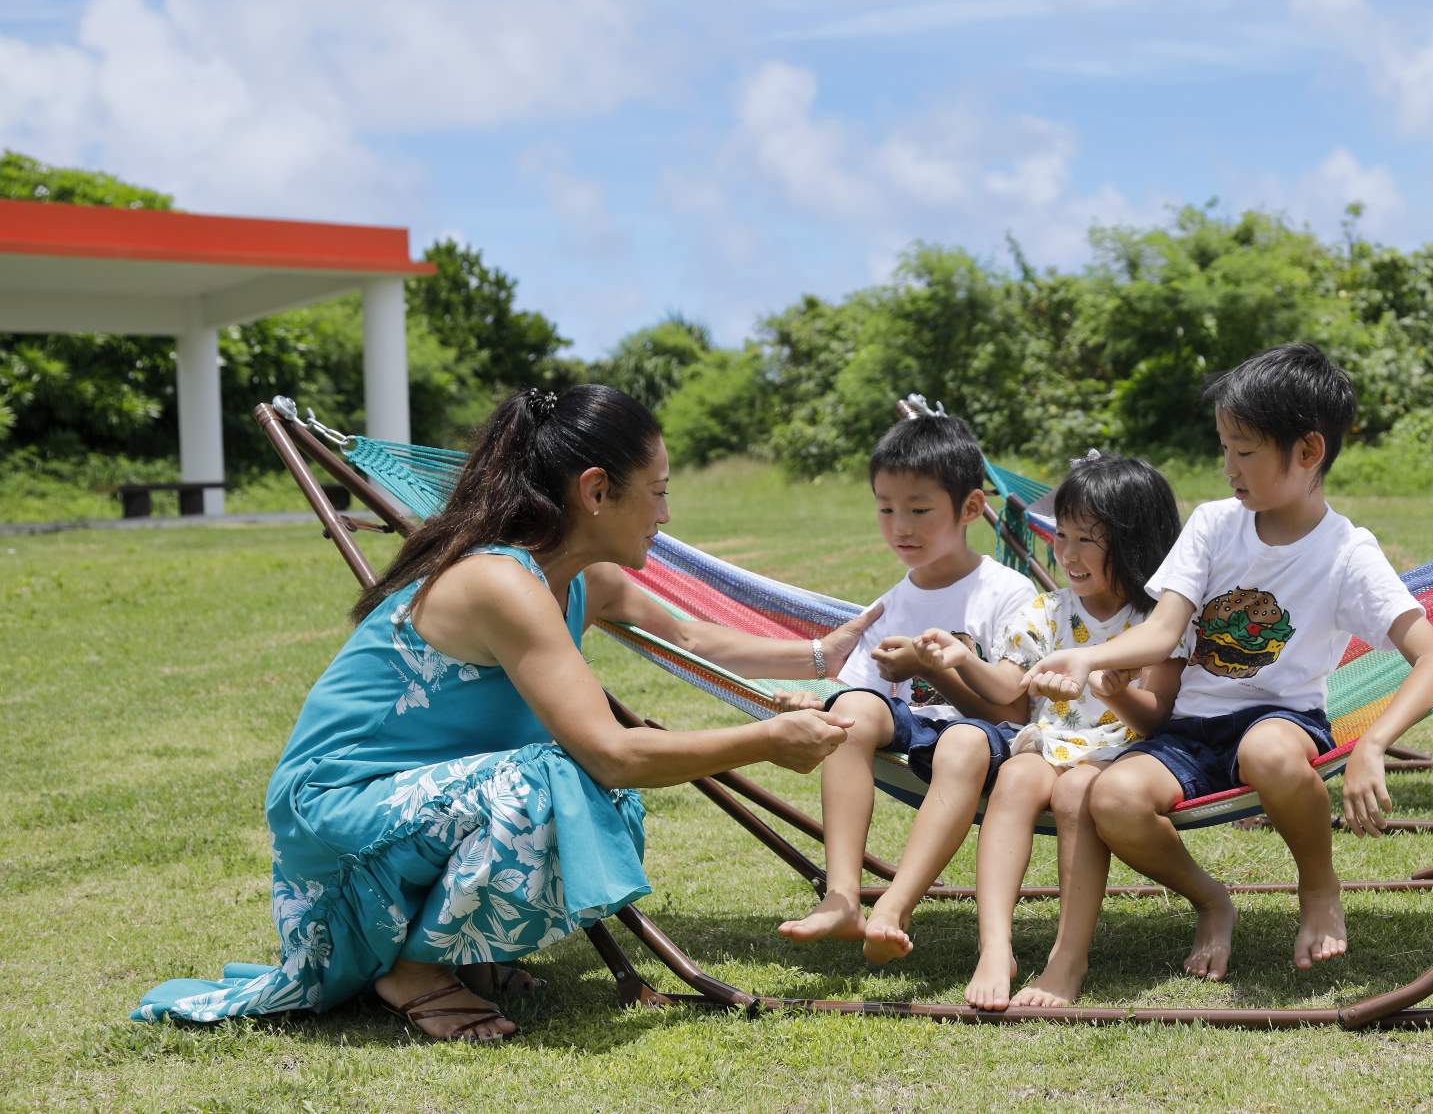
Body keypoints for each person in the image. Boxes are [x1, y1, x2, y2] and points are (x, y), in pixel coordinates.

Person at [134, 385, 879, 1042]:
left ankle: (460, 951)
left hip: (411, 810)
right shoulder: (501, 582)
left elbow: (688, 636)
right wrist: (765, 739)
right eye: (656, 491)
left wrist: (823, 654)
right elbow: (611, 752)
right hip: (338, 823)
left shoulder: (582, 578)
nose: (666, 512)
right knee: (560, 776)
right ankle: (414, 969)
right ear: (596, 490)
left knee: (591, 790)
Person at [1024, 344, 1433, 981]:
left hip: (1281, 720)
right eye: (1224, 447)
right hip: (1190, 732)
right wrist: (1086, 658)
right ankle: (1211, 899)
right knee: (1113, 799)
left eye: (1244, 450)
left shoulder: (1347, 553)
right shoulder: (1214, 525)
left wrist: (1372, 747)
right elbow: (1165, 630)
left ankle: (1317, 887)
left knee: (1268, 754)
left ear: (1308, 452)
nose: (1228, 466)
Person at [916, 453, 1185, 1010]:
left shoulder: (1158, 620)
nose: (1066, 553)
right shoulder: (1043, 613)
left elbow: (1156, 715)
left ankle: (1068, 955)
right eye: (1060, 535)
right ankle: (995, 947)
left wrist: (1112, 690)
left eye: (1088, 539)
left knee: (1075, 789)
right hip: (1051, 742)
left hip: (1129, 753)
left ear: (1135, 540)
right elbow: (1005, 691)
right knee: (1014, 777)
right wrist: (956, 661)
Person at [772, 414, 1036, 965]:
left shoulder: (1006, 592)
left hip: (990, 738)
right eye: (886, 508)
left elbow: (1015, 706)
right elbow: (863, 695)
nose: (900, 527)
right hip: (915, 731)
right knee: (848, 716)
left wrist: (936, 669)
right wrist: (820, 704)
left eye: (919, 510)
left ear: (969, 510)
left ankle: (895, 904)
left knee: (962, 741)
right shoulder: (891, 604)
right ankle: (842, 894)